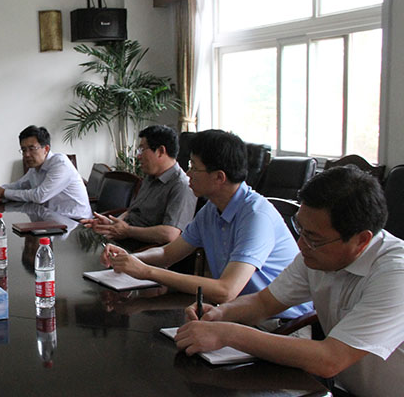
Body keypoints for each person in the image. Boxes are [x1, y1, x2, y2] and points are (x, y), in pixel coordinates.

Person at [175, 166, 404, 397]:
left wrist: (229, 333)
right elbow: (264, 302)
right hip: (339, 392)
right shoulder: (318, 255)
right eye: (300, 229)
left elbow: (330, 359)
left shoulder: (395, 274)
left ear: (362, 240)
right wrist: (220, 313)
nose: (301, 244)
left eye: (314, 238)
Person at [100, 129, 311, 318]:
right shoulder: (212, 208)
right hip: (240, 315)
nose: (188, 174)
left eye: (194, 167)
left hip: (283, 324)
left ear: (219, 177)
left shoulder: (256, 216)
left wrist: (146, 271)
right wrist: (129, 259)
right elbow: (168, 253)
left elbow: (226, 290)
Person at [80, 125, 196, 245]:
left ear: (160, 151)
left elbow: (170, 234)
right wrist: (112, 224)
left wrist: (127, 231)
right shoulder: (150, 177)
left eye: (142, 150)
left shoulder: (182, 185)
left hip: (143, 248)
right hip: (123, 238)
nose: (138, 156)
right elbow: (132, 211)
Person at [0, 125, 92, 219]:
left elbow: (40, 196)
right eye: (24, 150)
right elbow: (19, 185)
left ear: (46, 149)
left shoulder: (60, 163)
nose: (27, 154)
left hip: (76, 223)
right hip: (52, 219)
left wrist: (3, 192)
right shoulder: (35, 166)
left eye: (32, 149)